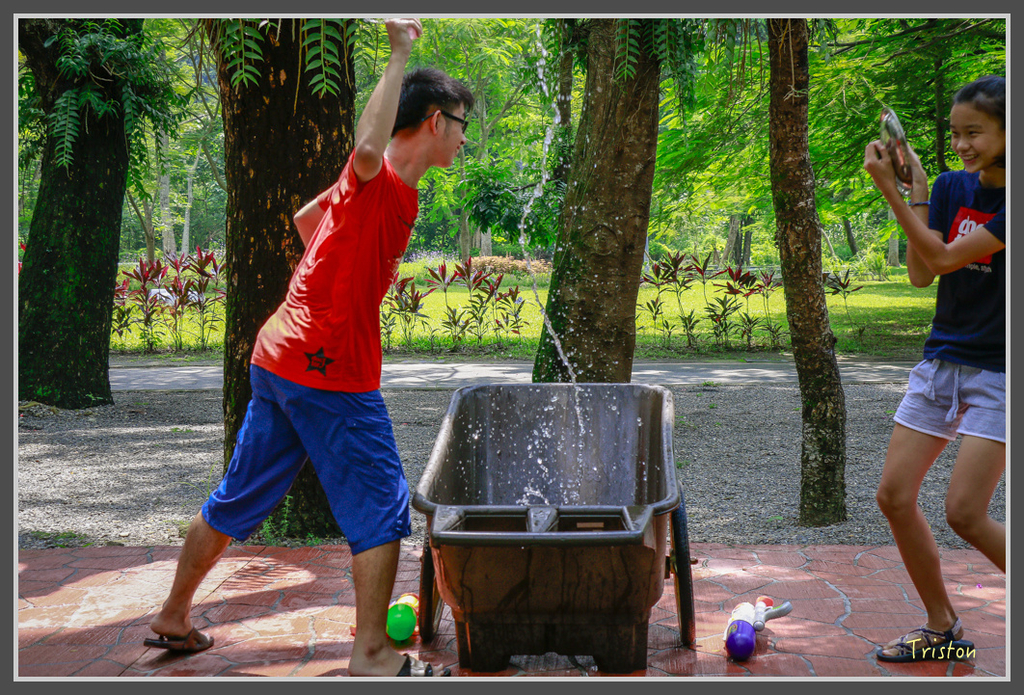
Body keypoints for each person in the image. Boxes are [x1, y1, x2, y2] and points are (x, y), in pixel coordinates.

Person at [145, 18, 473, 677]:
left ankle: (173, 616)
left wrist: (332, 285)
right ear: (436, 121)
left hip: (280, 354)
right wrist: (400, 52)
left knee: (236, 498)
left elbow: (305, 221)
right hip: (330, 369)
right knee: (382, 503)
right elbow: (368, 144)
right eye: (462, 123)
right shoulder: (374, 175)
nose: (466, 137)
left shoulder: (370, 194)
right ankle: (374, 651)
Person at [862, 75, 1005, 663]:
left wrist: (887, 192)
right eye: (955, 134)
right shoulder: (949, 187)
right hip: (942, 361)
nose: (963, 144)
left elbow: (946, 255)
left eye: (975, 132)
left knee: (966, 513)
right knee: (894, 496)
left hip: (1001, 371)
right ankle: (941, 624)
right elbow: (926, 274)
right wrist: (917, 190)